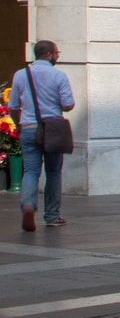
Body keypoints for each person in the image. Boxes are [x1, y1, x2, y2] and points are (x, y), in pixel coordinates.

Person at [10, 40, 75, 232]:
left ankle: (28, 206)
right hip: (53, 129)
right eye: (57, 53)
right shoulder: (59, 75)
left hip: (29, 127)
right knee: (53, 172)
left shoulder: (21, 75)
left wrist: (18, 123)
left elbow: (13, 106)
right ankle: (53, 216)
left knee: (31, 171)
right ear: (48, 55)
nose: (57, 56)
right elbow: (68, 104)